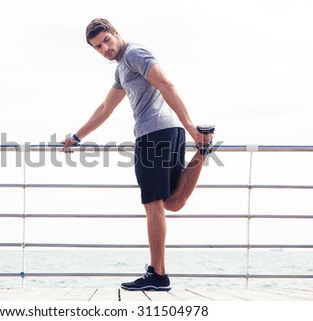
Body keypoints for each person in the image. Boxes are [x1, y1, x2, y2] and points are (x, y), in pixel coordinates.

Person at [61, 18, 214, 291]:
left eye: (106, 40)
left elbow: (166, 84)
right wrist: (77, 136)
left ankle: (158, 275)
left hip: (154, 134)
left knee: (153, 204)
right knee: (173, 202)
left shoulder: (134, 54)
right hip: (167, 131)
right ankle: (204, 149)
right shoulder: (122, 69)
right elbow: (106, 109)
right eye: (98, 47)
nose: (104, 48)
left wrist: (191, 126)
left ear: (116, 33)